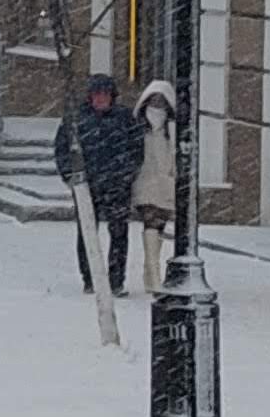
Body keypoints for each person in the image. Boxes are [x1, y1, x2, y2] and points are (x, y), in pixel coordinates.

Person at [54, 74, 144, 295]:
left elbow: (137, 149)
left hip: (117, 185)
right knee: (87, 232)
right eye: (96, 94)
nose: (100, 99)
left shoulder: (124, 118)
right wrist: (71, 177)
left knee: (119, 232)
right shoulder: (76, 119)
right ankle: (90, 278)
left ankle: (116, 280)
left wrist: (126, 174)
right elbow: (62, 149)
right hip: (87, 185)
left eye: (105, 94)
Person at [130, 77, 186, 286]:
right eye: (153, 100)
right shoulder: (137, 127)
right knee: (151, 222)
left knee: (158, 225)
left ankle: (150, 269)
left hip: (164, 182)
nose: (157, 105)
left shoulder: (172, 130)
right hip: (144, 181)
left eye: (161, 101)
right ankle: (152, 272)